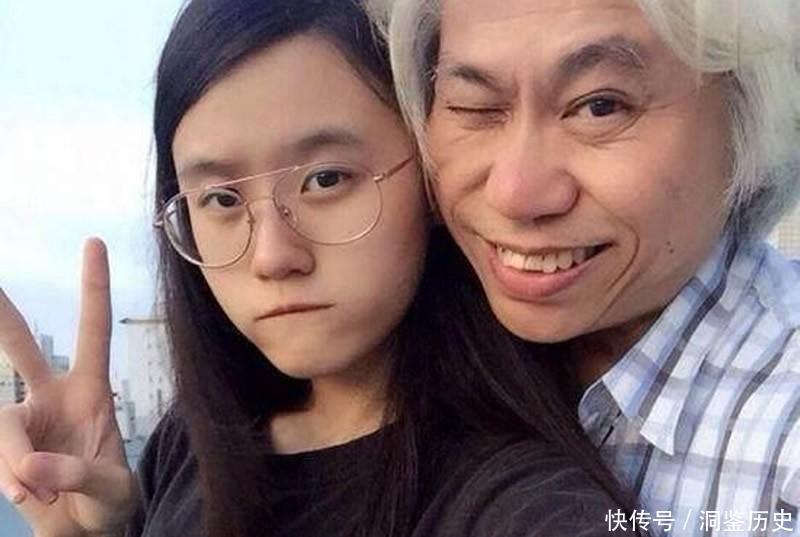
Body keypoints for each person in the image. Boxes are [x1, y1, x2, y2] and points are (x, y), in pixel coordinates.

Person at [0, 1, 638, 537]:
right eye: (220, 199)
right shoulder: (192, 443)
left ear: (430, 175)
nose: (273, 256)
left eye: (326, 180)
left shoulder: (521, 502)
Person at [368, 0, 800, 534]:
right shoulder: (388, 354)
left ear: (749, 116)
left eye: (600, 107)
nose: (515, 195)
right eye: (475, 107)